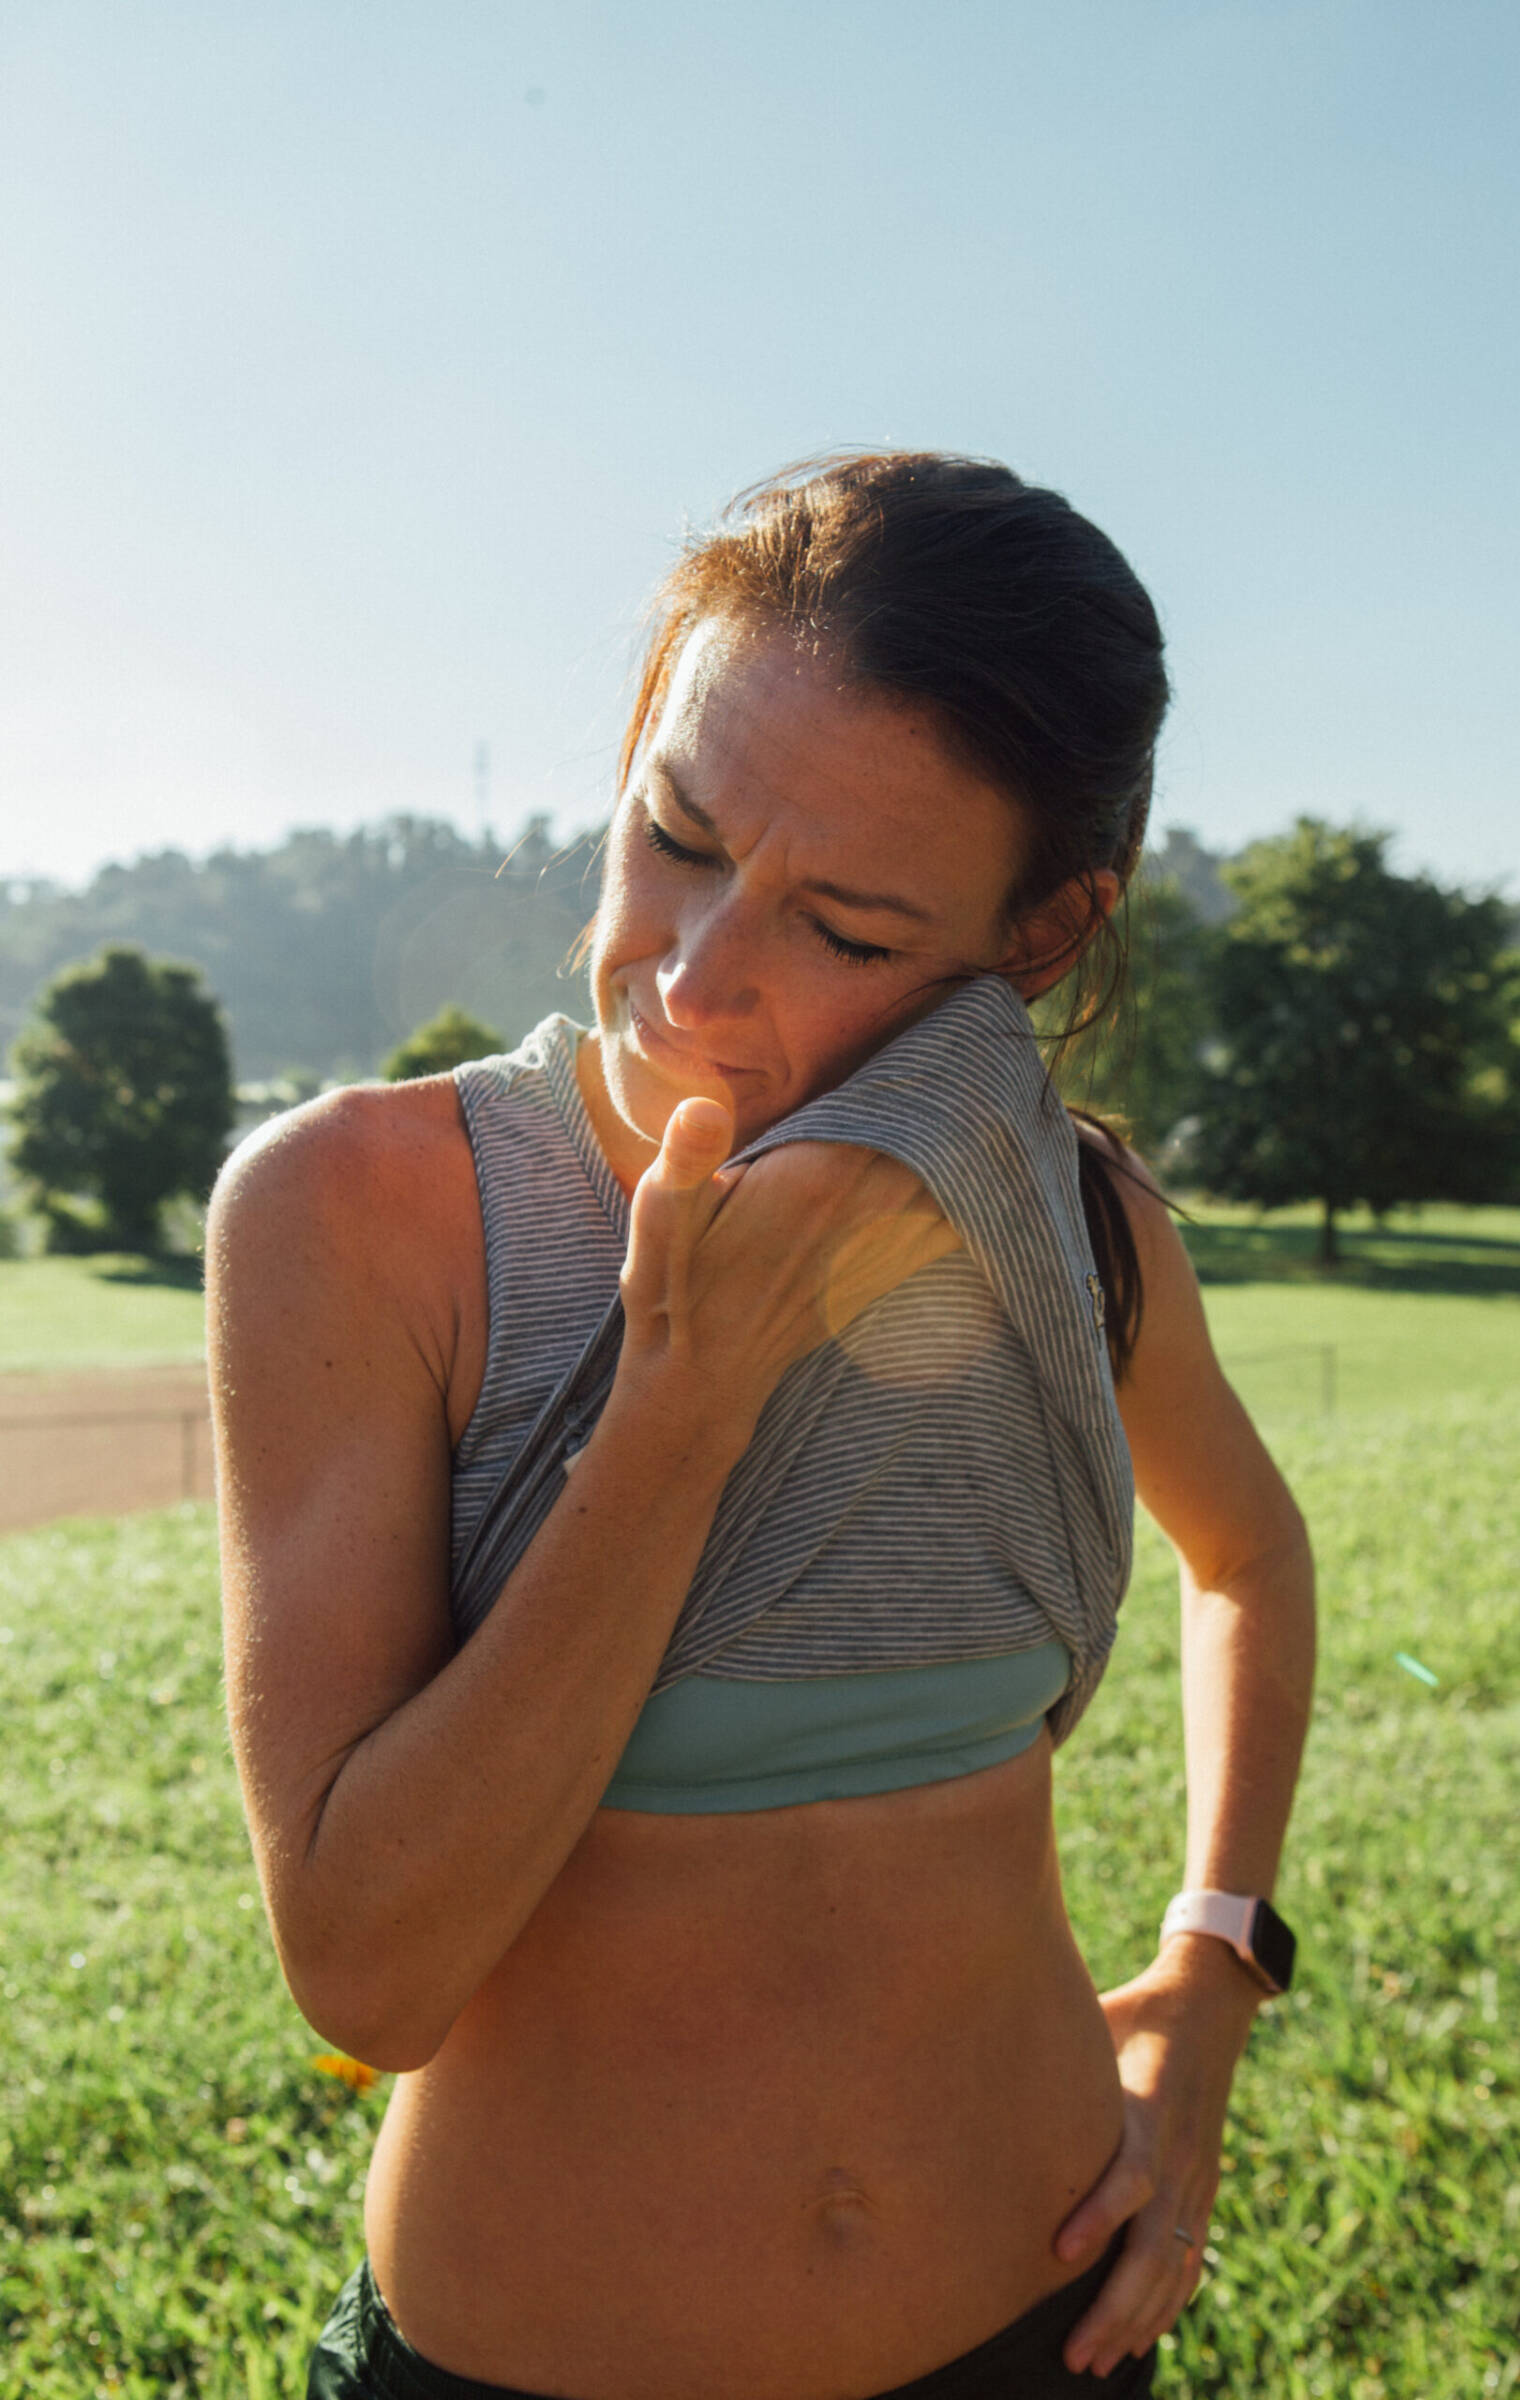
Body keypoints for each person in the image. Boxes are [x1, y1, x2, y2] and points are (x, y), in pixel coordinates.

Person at [208, 452, 1315, 2400]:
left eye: (850, 928)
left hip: (1038, 2334)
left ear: (1041, 937)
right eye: (679, 831)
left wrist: (1213, 1969)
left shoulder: (1069, 1229)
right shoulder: (355, 1215)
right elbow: (366, 1971)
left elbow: (1248, 1557)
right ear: (639, 733)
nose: (694, 979)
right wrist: (683, 1395)